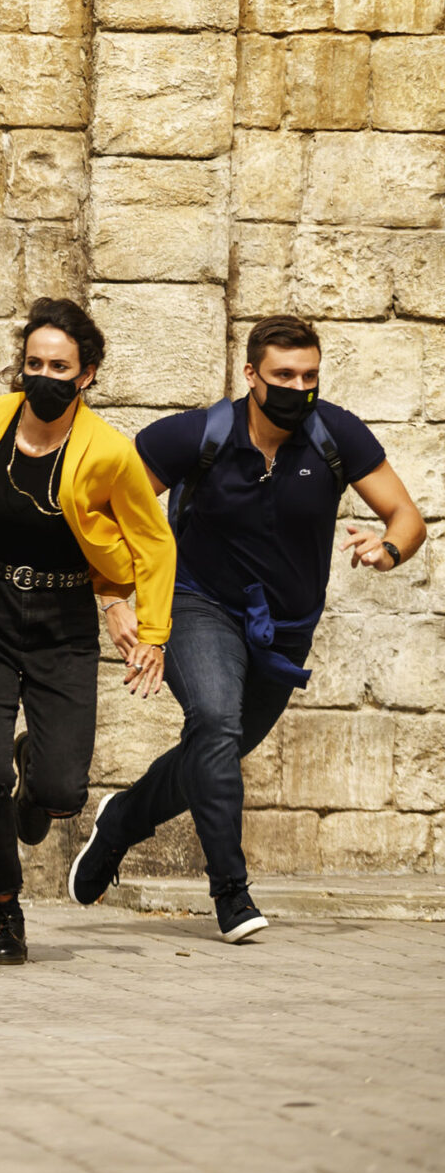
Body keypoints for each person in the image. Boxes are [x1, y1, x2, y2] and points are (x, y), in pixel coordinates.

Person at [70, 314, 427, 943]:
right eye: (284, 374)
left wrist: (389, 548)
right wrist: (114, 597)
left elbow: (405, 516)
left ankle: (122, 819)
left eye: (309, 375)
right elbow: (103, 511)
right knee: (214, 722)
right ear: (252, 374)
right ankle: (231, 893)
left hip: (285, 628)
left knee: (218, 751)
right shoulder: (197, 436)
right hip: (197, 605)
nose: (298, 387)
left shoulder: (333, 435)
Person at [0, 297, 172, 967]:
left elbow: (152, 542)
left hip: (63, 619)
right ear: (19, 367)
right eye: (33, 363)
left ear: (85, 376)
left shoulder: (109, 452)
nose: (44, 375)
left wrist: (152, 631)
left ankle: (35, 774)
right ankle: (6, 912)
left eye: (60, 365)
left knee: (60, 791)